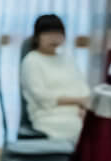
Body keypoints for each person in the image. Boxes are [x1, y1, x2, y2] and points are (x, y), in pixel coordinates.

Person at [20, 14, 90, 142]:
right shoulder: (32, 61)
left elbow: (83, 89)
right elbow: (42, 97)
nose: (54, 38)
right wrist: (78, 101)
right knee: (87, 130)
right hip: (49, 116)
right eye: (48, 33)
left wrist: (84, 108)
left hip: (77, 113)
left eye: (58, 33)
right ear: (37, 36)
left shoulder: (67, 59)